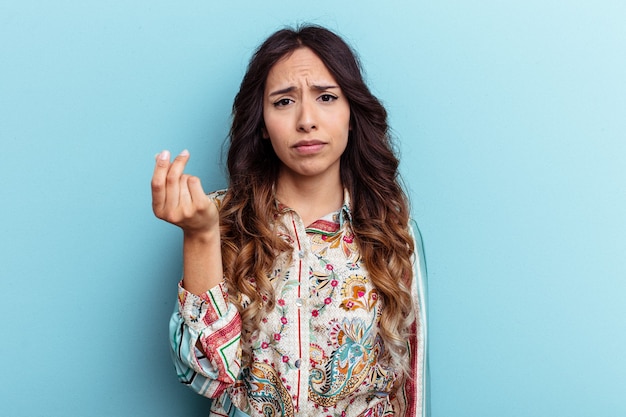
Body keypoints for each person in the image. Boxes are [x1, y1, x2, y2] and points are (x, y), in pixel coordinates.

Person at [151, 25, 429, 417]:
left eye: (327, 97)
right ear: (262, 123)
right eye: (283, 102)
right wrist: (199, 236)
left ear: (353, 114)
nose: (306, 120)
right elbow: (208, 374)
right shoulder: (219, 220)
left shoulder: (393, 231)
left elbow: (411, 390)